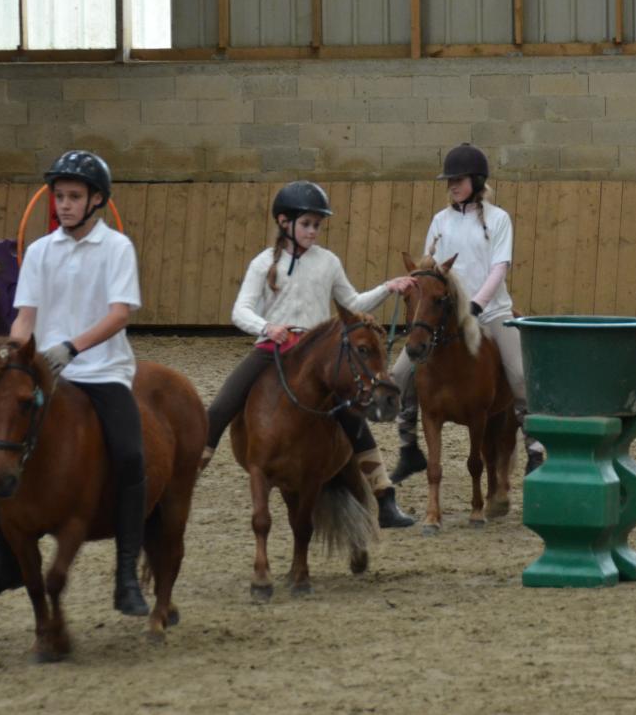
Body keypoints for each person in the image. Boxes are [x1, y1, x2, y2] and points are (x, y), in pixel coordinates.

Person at [0, 149, 151, 616]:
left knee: (130, 455)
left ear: (96, 201)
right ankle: (2, 561)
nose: (64, 205)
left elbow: (118, 315)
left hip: (103, 371)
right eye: (59, 197)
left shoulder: (116, 249)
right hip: (45, 371)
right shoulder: (42, 251)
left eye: (73, 197)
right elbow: (26, 316)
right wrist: (14, 356)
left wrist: (70, 348)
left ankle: (126, 572)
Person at [200, 180, 417, 528]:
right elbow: (239, 311)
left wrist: (388, 288)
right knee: (224, 402)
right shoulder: (262, 264)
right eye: (307, 224)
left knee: (352, 414)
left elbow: (354, 304)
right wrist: (266, 327)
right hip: (273, 348)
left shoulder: (328, 262)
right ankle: (194, 467)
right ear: (285, 223)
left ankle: (384, 496)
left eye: (317, 225)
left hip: (318, 354)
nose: (313, 231)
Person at [389, 143, 544, 484]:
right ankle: (409, 447)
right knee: (401, 375)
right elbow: (429, 267)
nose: (452, 186)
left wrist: (477, 305)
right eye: (449, 181)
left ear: (476, 180)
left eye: (458, 180)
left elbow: (499, 267)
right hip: (447, 315)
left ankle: (535, 448)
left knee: (519, 376)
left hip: (492, 311)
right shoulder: (440, 221)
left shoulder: (498, 218)